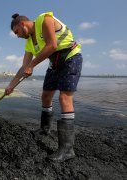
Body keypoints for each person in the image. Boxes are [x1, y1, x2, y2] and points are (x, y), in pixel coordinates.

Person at [5, 12, 83, 162]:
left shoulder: (44, 19)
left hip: (70, 57)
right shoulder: (28, 43)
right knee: (45, 96)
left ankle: (67, 149)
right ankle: (44, 129)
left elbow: (52, 45)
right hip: (54, 64)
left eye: (17, 32)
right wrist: (11, 86)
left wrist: (32, 65)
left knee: (64, 97)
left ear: (22, 24)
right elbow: (24, 67)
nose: (17, 36)